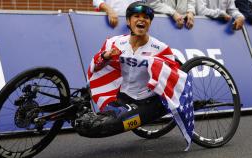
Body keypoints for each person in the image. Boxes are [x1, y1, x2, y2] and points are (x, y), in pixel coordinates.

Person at [75, 1, 194, 150]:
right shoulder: (115, 43)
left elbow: (174, 75)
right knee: (86, 121)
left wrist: (156, 65)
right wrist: (105, 57)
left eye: (146, 17)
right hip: (123, 97)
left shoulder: (160, 48)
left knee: (99, 127)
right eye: (136, 16)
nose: (141, 19)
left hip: (148, 102)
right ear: (128, 21)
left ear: (150, 23)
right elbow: (96, 67)